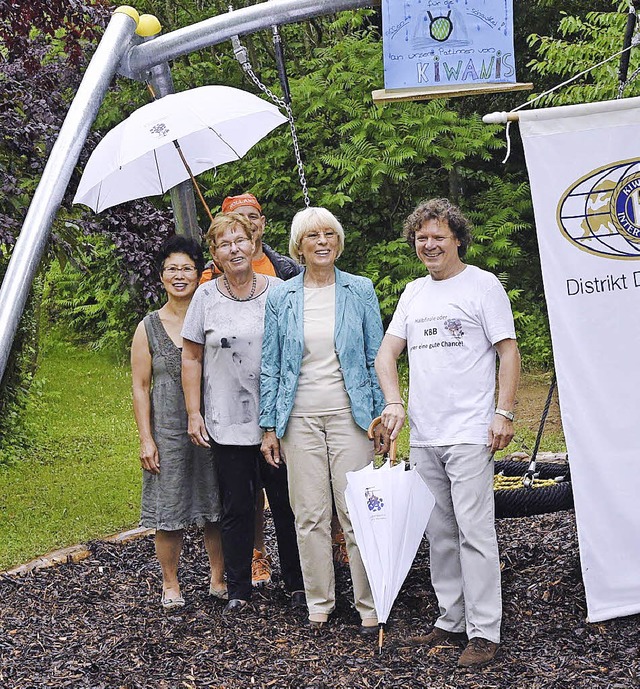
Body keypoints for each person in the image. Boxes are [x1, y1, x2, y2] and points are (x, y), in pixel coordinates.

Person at [375, 198, 521, 667]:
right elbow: (385, 355)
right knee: (439, 531)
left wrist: (505, 412)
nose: (429, 244)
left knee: (475, 531)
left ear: (457, 238)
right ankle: (450, 617)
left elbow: (509, 351)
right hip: (426, 434)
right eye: (421, 237)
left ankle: (484, 631)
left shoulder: (483, 285)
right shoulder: (413, 293)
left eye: (439, 236)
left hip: (471, 431)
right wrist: (395, 403)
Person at [260, 206, 386, 635]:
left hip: (352, 417)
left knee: (356, 512)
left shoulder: (360, 289)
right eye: (313, 235)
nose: (322, 242)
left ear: (339, 240)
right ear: (299, 244)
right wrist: (269, 426)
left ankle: (369, 604)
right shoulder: (281, 295)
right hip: (299, 417)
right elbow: (272, 363)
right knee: (310, 513)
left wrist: (382, 413)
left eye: (329, 234)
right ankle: (320, 601)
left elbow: (375, 358)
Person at [182, 212, 305, 614]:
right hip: (226, 420)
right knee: (236, 507)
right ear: (214, 254)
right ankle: (239, 589)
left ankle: (298, 584)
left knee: (287, 503)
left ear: (254, 245)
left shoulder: (279, 291)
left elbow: (294, 355)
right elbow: (192, 358)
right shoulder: (205, 297)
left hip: (277, 421)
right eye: (223, 244)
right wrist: (193, 412)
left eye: (240, 240)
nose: (233, 249)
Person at [131, 235, 225, 610]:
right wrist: (146, 439)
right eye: (172, 269)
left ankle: (218, 578)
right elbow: (140, 387)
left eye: (187, 267)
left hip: (214, 427)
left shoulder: (212, 315)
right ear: (161, 276)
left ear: (200, 273)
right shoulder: (148, 327)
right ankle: (171, 584)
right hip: (168, 432)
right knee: (168, 513)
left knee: (214, 506)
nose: (179, 275)